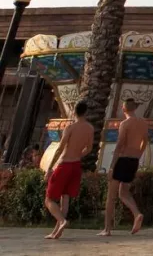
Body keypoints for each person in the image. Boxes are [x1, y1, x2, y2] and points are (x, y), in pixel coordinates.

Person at [44, 100, 94, 240]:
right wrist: (79, 154)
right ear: (86, 112)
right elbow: (89, 148)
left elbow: (60, 148)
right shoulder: (89, 128)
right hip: (76, 165)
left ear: (74, 112)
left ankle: (62, 221)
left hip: (64, 164)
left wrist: (49, 168)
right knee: (65, 198)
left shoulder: (70, 128)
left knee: (48, 200)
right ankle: (56, 231)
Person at [99, 98, 148, 236]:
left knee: (111, 196)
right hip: (133, 160)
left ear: (124, 108)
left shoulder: (125, 124)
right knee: (124, 193)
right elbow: (145, 142)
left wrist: (111, 167)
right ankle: (137, 213)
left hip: (123, 159)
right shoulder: (143, 123)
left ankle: (107, 229)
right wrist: (138, 155)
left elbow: (119, 145)